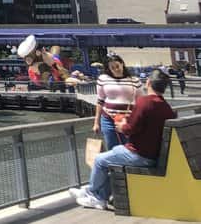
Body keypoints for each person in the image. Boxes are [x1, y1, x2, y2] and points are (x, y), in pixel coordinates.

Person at [72, 69, 176, 210]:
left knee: (100, 160)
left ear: (148, 82)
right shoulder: (166, 107)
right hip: (153, 155)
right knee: (114, 153)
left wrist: (121, 126)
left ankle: (93, 193)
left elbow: (129, 129)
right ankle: (98, 195)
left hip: (139, 155)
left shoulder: (144, 102)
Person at [93, 54, 139, 151]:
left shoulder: (134, 80)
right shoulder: (103, 79)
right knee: (112, 148)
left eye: (117, 66)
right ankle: (114, 166)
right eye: (112, 68)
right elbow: (100, 100)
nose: (116, 69)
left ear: (122, 64)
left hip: (128, 120)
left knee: (130, 148)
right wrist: (96, 122)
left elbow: (140, 101)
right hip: (108, 119)